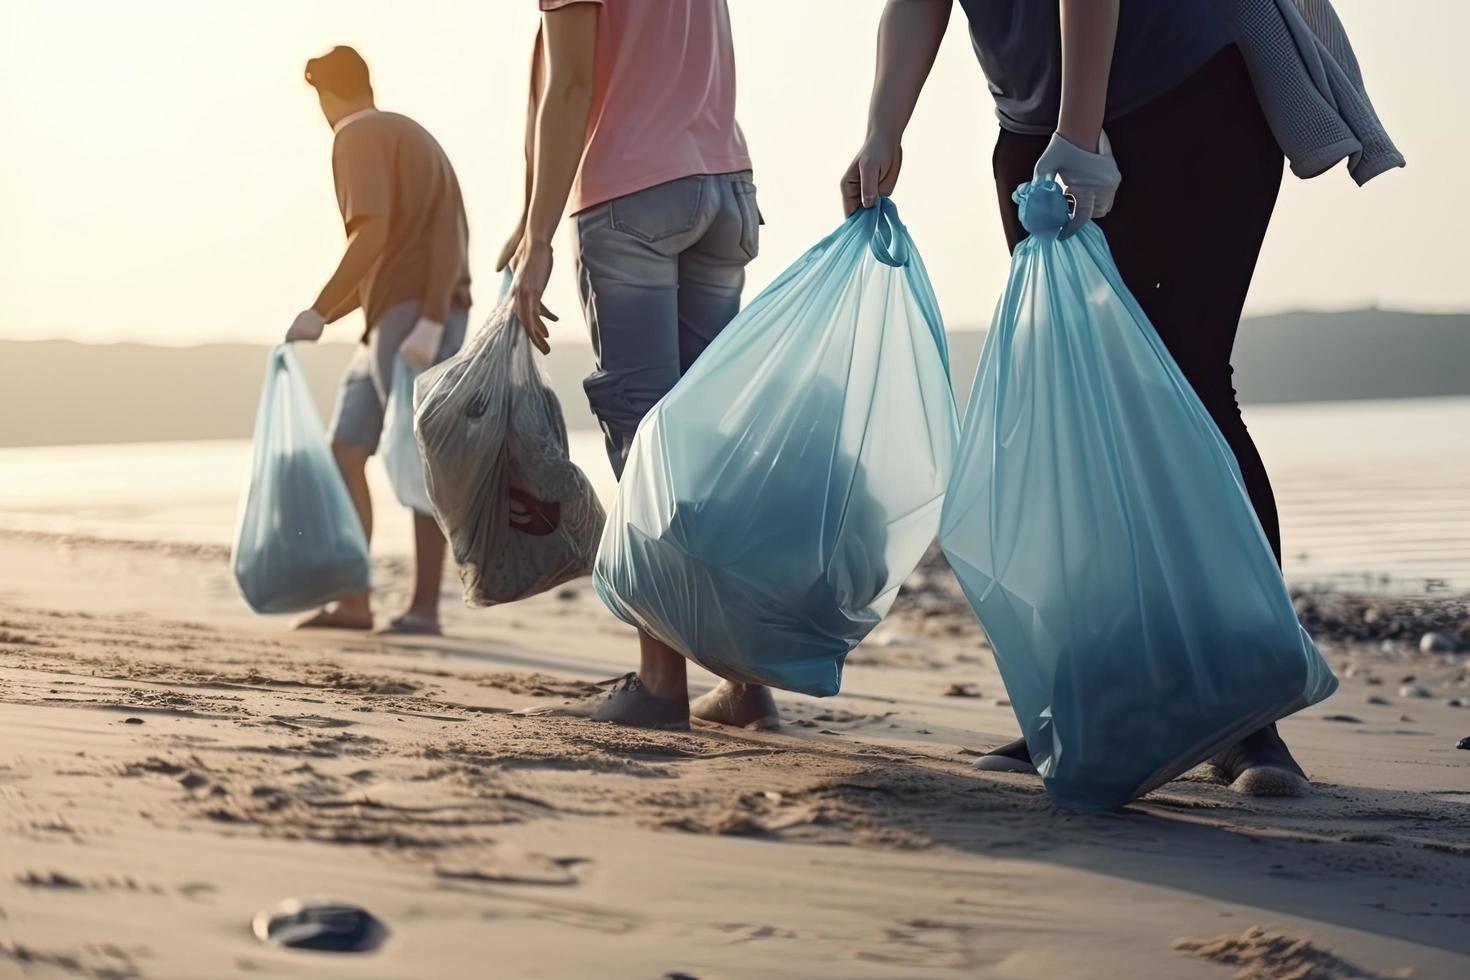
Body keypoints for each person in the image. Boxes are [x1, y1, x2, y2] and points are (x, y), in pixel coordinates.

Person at [844, 0, 1311, 796]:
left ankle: (1246, 719)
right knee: (1074, 419)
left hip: (1185, 100)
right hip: (1034, 130)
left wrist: (1080, 130)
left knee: (1192, 386)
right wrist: (884, 125)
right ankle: (1089, 702)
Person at [505, 0, 776, 730]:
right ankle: (746, 682)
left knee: (647, 443)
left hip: (632, 197)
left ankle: (660, 683)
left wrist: (537, 238)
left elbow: (569, 88)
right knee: (708, 450)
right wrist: (532, 211)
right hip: (725, 189)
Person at [285, 45, 472, 636]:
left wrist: (432, 317)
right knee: (346, 446)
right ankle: (355, 598)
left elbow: (372, 232)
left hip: (416, 316)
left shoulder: (357, 135)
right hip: (389, 317)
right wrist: (326, 317)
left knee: (416, 461)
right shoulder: (405, 133)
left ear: (323, 94)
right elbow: (402, 244)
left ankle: (423, 608)